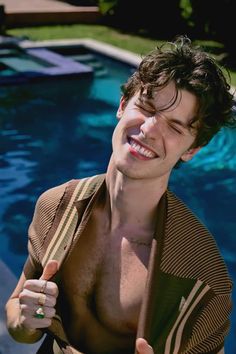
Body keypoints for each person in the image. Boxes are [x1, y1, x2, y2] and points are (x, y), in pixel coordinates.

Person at [5, 35, 235, 354]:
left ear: (192, 150)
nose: (150, 129)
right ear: (123, 105)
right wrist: (28, 321)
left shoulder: (200, 274)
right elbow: (19, 317)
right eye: (147, 106)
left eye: (175, 127)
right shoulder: (57, 205)